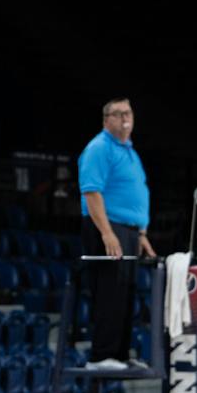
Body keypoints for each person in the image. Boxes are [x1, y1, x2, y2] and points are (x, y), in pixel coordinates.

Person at [79, 98, 155, 365]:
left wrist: (142, 234)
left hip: (131, 231)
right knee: (110, 292)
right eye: (119, 113)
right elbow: (91, 191)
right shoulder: (99, 148)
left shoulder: (129, 151)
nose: (125, 117)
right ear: (106, 120)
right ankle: (101, 355)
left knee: (126, 294)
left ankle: (119, 355)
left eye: (129, 112)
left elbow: (136, 192)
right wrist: (107, 233)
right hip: (107, 228)